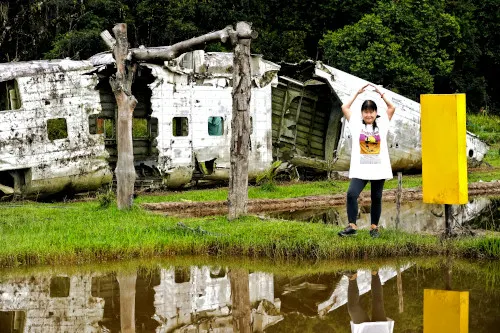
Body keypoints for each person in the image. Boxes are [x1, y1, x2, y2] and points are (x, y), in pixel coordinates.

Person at [338, 84, 396, 238]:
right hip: (361, 169)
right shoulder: (356, 124)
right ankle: (352, 226)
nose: (369, 115)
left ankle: (374, 228)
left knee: (376, 197)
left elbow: (391, 108)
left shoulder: (382, 124)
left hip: (379, 169)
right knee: (351, 194)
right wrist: (357, 92)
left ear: (376, 113)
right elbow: (345, 107)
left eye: (371, 112)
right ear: (362, 113)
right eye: (366, 112)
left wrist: (381, 93)